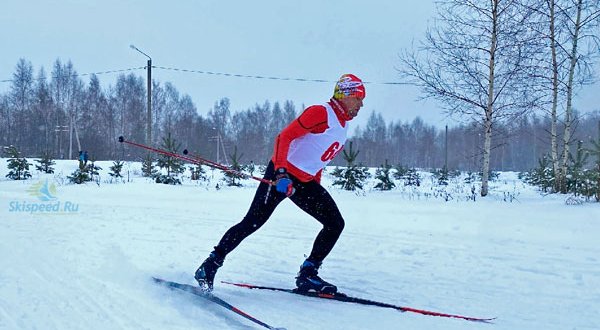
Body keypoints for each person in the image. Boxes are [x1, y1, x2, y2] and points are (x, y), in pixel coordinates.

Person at [195, 74, 366, 294]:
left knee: (335, 223)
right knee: (253, 222)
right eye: (358, 98)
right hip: (281, 174)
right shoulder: (321, 112)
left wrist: (316, 184)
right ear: (345, 95)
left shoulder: (342, 126)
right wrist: (281, 173)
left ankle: (308, 274)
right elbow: (283, 137)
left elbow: (317, 158)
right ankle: (209, 266)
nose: (361, 104)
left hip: (305, 181)